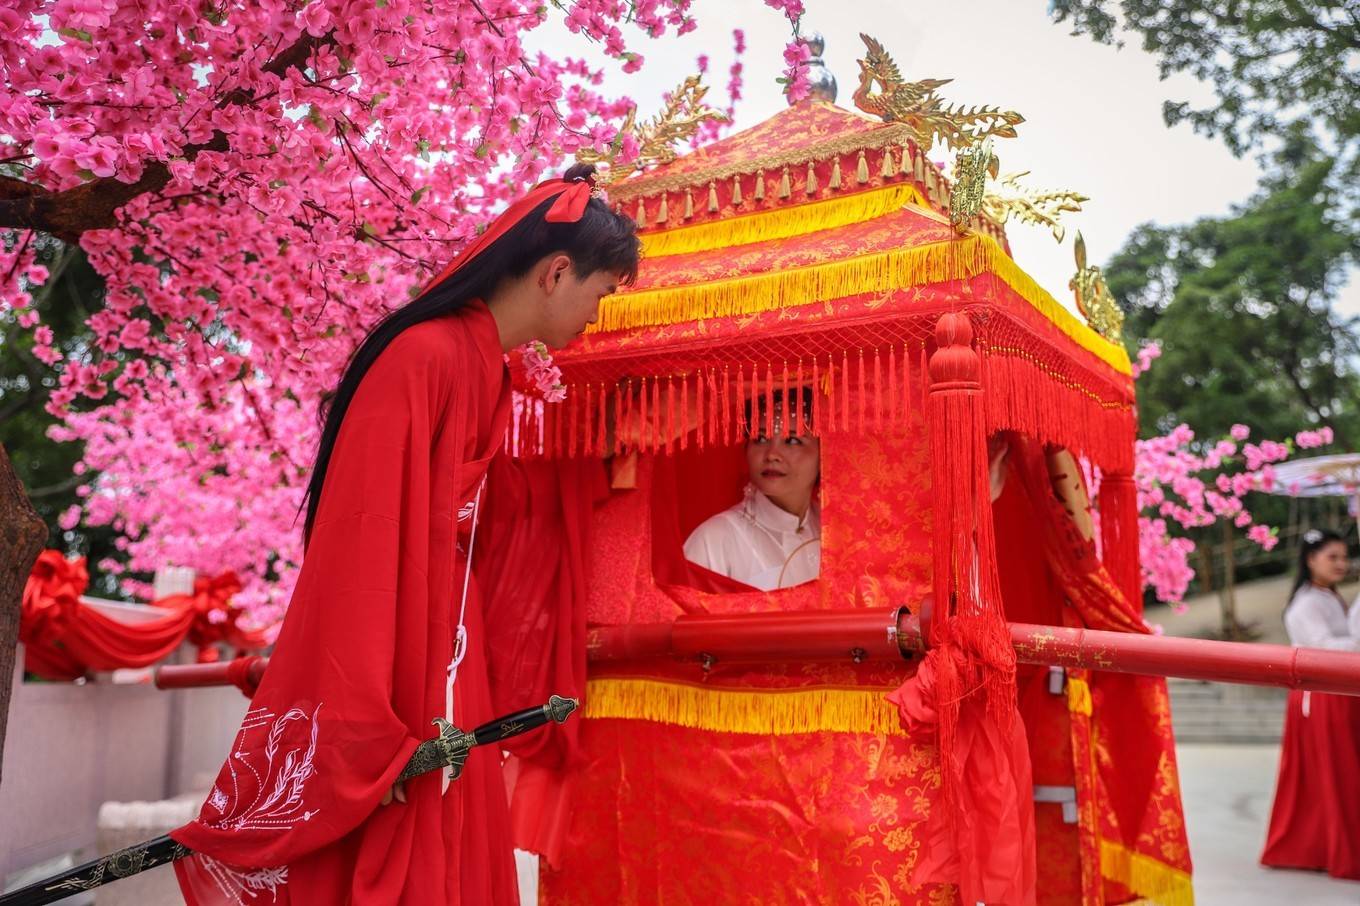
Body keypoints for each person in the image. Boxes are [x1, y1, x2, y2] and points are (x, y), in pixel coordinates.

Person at [169, 164, 640, 905]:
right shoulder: (424, 356)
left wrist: (612, 458)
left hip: (445, 660)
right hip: (400, 679)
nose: (598, 311)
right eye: (601, 291)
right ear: (556, 272)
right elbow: (357, 546)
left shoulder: (487, 368)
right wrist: (366, 734)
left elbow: (505, 524)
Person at [1261, 528, 1360, 880]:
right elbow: (1324, 649)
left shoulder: (1329, 597)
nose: (1341, 564)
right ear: (1310, 559)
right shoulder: (1305, 604)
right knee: (1337, 771)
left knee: (1340, 773)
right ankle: (1336, 850)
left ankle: (1324, 846)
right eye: (1332, 557)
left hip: (1341, 693)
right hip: (1321, 696)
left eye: (1344, 557)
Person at [683, 388, 821, 590]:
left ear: (824, 452)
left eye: (792, 440)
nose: (772, 454)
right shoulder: (714, 540)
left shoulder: (839, 533)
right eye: (760, 439)